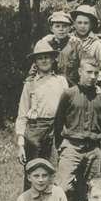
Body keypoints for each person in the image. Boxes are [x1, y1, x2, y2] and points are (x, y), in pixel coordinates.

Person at [54, 58, 101, 201]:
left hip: (93, 149)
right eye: (89, 72)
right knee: (63, 187)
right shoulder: (69, 94)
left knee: (92, 190)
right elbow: (58, 122)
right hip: (72, 146)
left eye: (96, 73)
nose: (92, 76)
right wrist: (61, 146)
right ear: (80, 72)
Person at [16, 41, 68, 187]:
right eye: (40, 58)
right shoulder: (30, 84)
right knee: (33, 169)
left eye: (47, 57)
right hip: (35, 130)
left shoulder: (61, 81)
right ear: (35, 62)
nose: (44, 61)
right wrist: (21, 143)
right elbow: (22, 114)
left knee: (53, 169)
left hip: (56, 128)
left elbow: (68, 109)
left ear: (53, 59)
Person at [31, 11, 81, 85]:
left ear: (70, 28)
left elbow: (84, 66)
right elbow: (35, 67)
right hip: (48, 85)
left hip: (70, 86)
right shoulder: (45, 43)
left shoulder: (76, 44)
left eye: (64, 26)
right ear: (51, 28)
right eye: (57, 26)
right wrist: (31, 82)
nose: (61, 29)